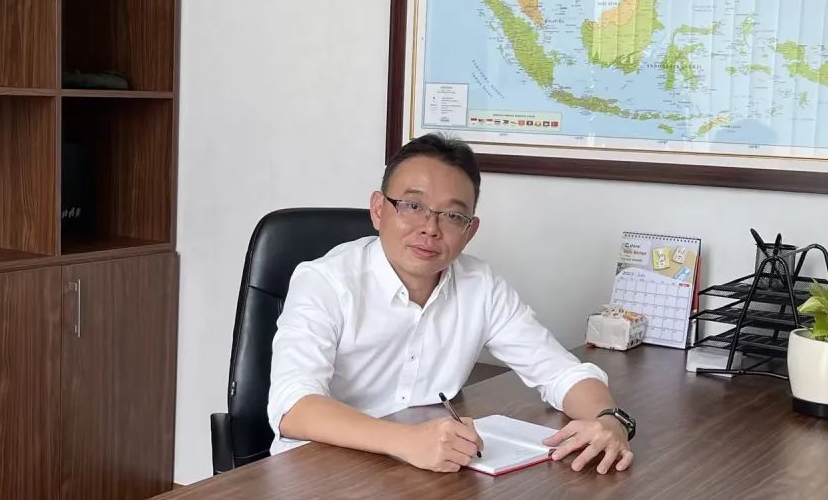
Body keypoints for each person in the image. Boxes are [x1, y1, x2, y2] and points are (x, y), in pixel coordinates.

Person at [267, 134, 635, 475]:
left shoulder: (480, 285)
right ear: (378, 209)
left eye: (453, 216)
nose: (430, 227)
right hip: (319, 474)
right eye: (413, 206)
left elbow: (559, 373)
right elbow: (293, 406)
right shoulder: (325, 281)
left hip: (420, 475)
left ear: (469, 231)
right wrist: (405, 441)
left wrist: (608, 419)